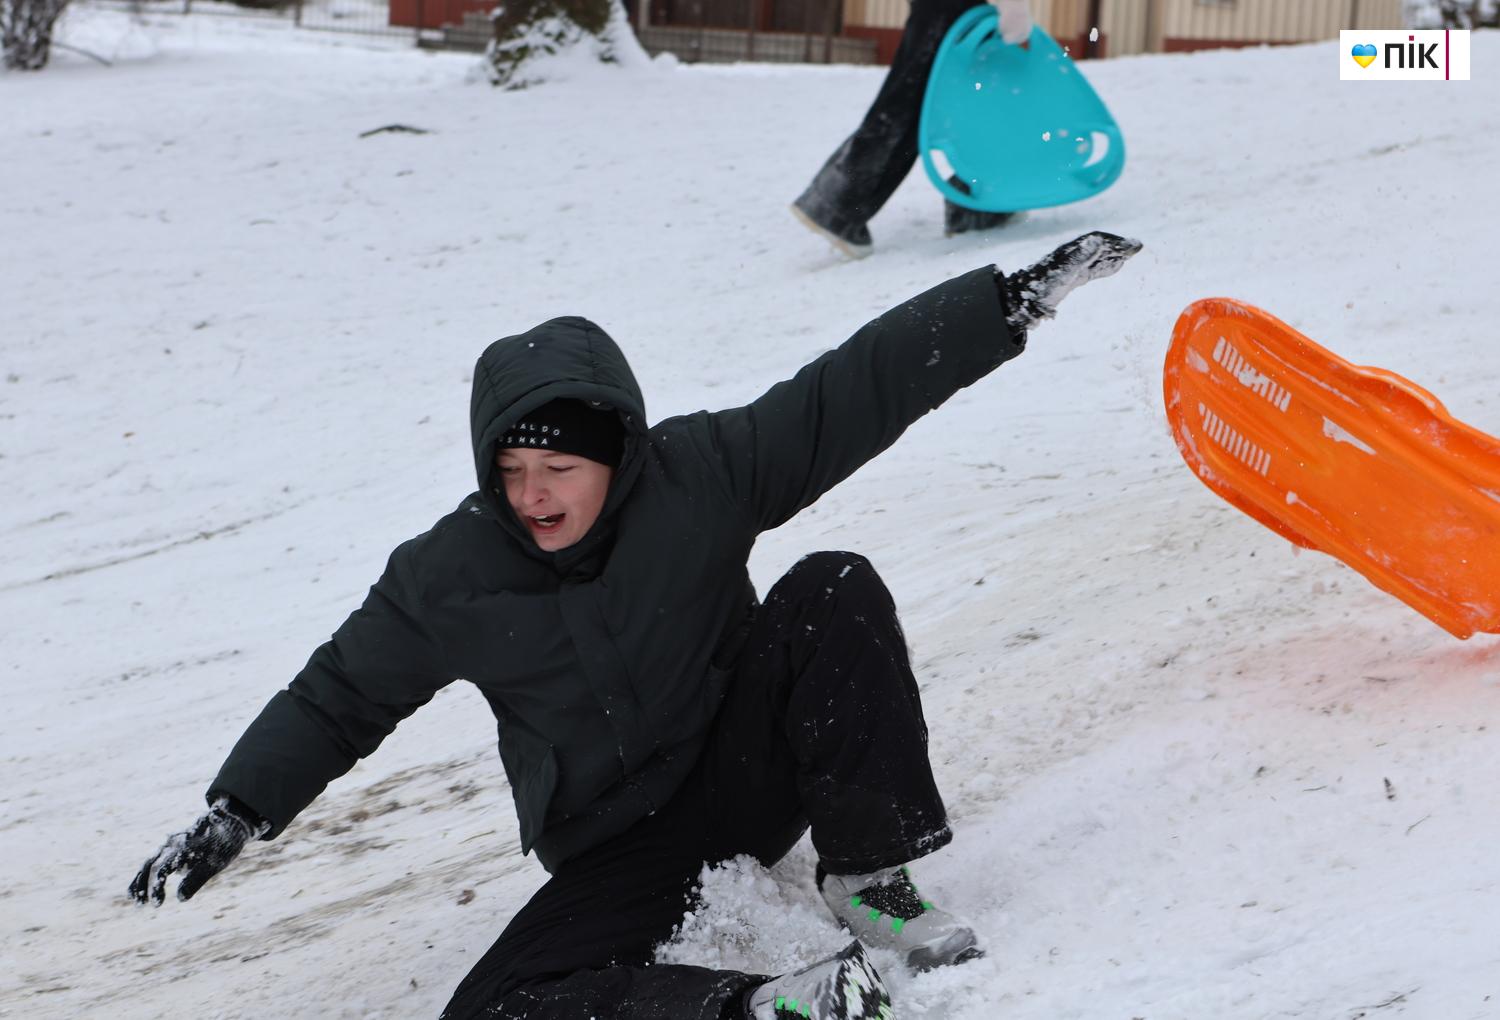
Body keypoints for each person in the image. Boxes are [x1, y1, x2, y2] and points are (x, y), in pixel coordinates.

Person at [128, 230, 1143, 1020]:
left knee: (834, 587)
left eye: (558, 468)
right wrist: (237, 809)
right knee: (497, 1006)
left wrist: (1004, 307)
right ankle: (757, 1007)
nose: (533, 493)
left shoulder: (699, 474)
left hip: (745, 776)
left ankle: (873, 876)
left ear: (616, 451)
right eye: (511, 472)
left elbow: (849, 393)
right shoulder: (447, 575)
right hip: (617, 847)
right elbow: (341, 694)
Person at [792, 0, 1035, 259]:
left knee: (945, 105)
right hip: (956, 11)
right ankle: (839, 204)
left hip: (949, 11)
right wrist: (1015, 18)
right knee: (911, 105)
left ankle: (972, 206)